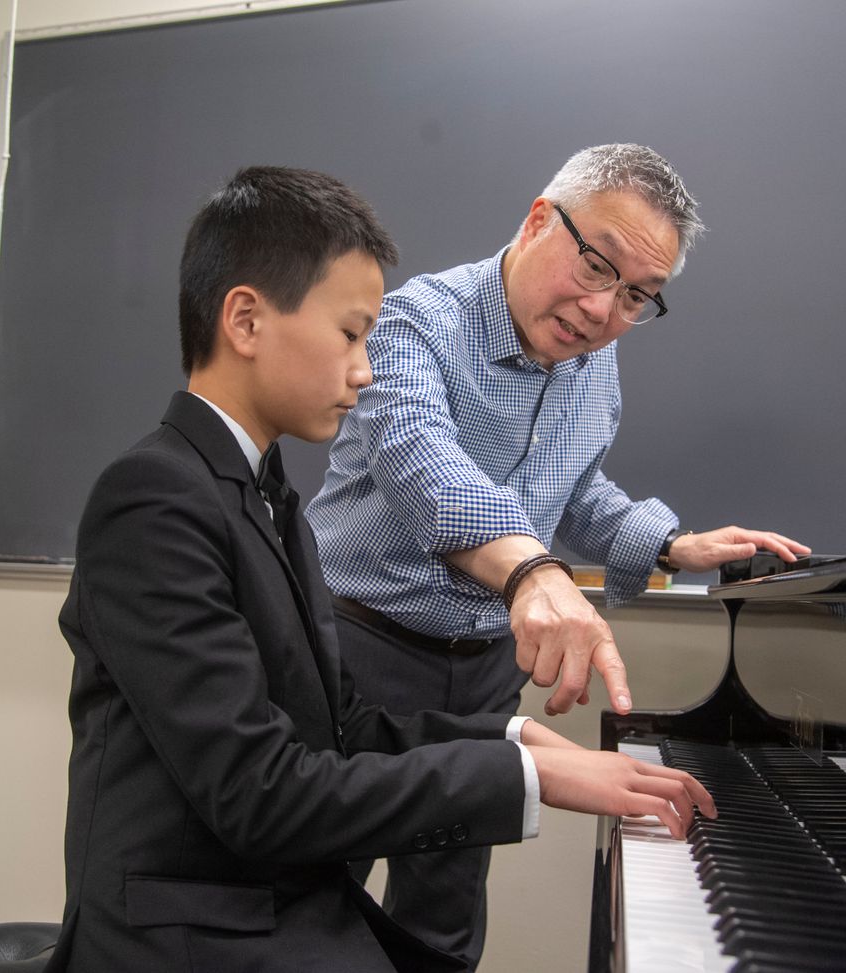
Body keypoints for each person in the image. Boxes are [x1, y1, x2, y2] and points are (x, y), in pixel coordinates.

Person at [47, 166, 714, 973]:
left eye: (638, 297)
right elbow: (265, 793)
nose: (365, 370)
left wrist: (518, 740)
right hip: (193, 929)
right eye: (353, 334)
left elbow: (339, 729)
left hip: (268, 885)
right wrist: (521, 761)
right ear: (247, 322)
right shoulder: (152, 496)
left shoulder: (269, 497)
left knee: (442, 939)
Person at [305, 142, 806, 963]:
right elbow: (421, 461)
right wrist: (534, 571)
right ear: (540, 220)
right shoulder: (416, 320)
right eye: (597, 267)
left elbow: (573, 493)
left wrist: (675, 547)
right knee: (313, 892)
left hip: (483, 669)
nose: (604, 310)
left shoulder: (594, 364)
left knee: (444, 913)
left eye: (638, 295)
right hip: (361, 650)